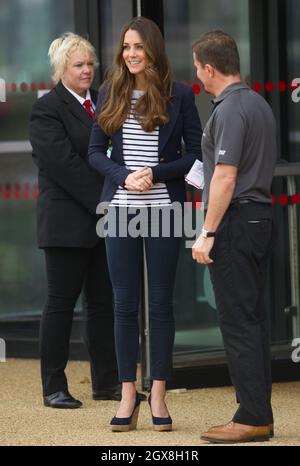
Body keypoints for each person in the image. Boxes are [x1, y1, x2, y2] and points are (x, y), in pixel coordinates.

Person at [88, 17, 202, 431]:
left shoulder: (181, 95)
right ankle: (126, 394)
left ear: (153, 50)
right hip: (118, 210)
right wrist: (123, 177)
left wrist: (153, 173)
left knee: (160, 303)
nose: (131, 54)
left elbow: (194, 155)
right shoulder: (110, 91)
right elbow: (95, 152)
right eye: (126, 47)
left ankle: (157, 393)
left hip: (164, 210)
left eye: (138, 47)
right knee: (124, 305)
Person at [192, 31, 277, 443]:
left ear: (209, 68)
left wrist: (207, 232)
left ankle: (251, 416)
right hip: (260, 217)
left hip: (236, 223)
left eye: (197, 68)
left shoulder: (227, 110)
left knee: (238, 321)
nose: (197, 76)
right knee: (254, 320)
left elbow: (225, 176)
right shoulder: (258, 103)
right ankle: (260, 411)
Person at [29, 33, 122, 408]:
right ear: (61, 70)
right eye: (78, 65)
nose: (87, 71)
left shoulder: (104, 102)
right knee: (61, 304)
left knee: (103, 304)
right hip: (67, 225)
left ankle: (107, 382)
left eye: (89, 64)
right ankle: (54, 386)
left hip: (104, 221)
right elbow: (63, 166)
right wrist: (106, 200)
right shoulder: (46, 109)